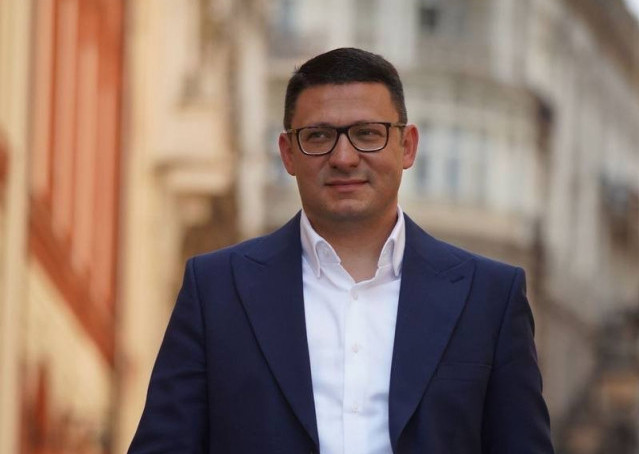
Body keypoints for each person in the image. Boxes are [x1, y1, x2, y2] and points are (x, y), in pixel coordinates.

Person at [128, 47, 554, 454]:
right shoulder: (216, 290)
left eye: (367, 134)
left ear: (407, 146)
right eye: (319, 136)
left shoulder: (489, 298)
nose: (344, 157)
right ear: (287, 153)